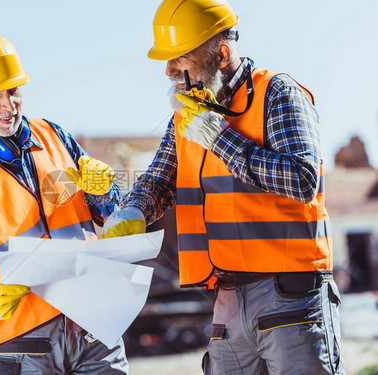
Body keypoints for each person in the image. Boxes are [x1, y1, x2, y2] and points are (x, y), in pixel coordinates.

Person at [102, 0, 344, 373]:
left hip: (291, 296)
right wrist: (134, 208)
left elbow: (302, 178)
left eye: (179, 59)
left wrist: (220, 140)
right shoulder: (187, 114)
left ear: (222, 54)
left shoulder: (277, 93)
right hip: (227, 298)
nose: (168, 71)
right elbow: (157, 179)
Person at [0, 30, 128, 374]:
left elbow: (110, 215)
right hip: (23, 343)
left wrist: (104, 193)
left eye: (14, 90)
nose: (8, 104)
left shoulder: (55, 137)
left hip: (93, 324)